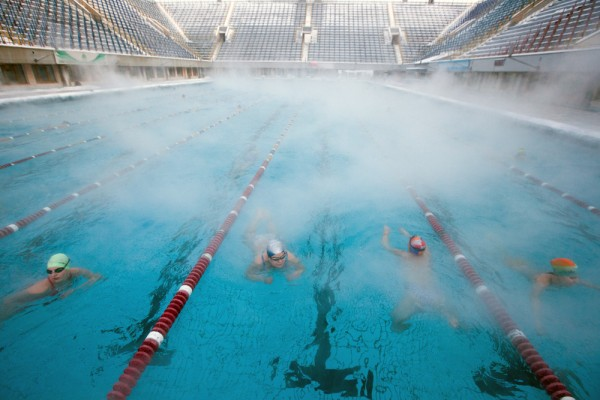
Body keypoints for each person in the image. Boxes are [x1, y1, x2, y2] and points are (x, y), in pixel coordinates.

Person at [382, 225, 458, 332]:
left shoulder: (404, 255)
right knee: (442, 307)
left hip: (415, 291)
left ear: (409, 248)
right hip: (432, 290)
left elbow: (386, 246)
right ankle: (451, 319)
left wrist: (386, 233)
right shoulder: (427, 254)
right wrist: (406, 233)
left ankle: (401, 323)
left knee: (395, 319)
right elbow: (417, 242)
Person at [508, 257, 600, 334]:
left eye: (576, 277)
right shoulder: (543, 281)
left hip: (532, 268)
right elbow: (534, 297)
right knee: (514, 264)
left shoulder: (569, 278)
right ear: (559, 276)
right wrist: (538, 323)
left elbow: (586, 283)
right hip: (521, 268)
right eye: (572, 278)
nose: (575, 281)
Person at [0, 253, 101, 322]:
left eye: (58, 270)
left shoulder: (77, 271)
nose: (53, 274)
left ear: (67, 268)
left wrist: (75, 290)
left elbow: (97, 277)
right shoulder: (43, 288)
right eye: (49, 271)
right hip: (23, 300)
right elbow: (8, 300)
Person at [244, 210, 305, 284]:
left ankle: (269, 218)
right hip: (259, 243)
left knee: (274, 235)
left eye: (282, 257)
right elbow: (248, 274)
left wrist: (294, 275)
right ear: (268, 258)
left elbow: (301, 268)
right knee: (248, 236)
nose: (280, 261)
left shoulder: (288, 255)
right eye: (276, 259)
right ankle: (257, 217)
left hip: (273, 241)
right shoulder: (259, 260)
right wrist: (263, 279)